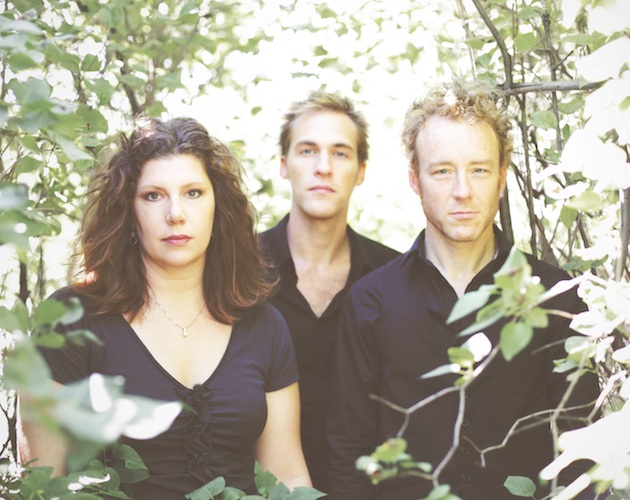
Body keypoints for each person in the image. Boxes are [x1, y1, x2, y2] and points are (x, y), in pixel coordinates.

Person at [327, 80, 600, 499]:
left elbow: (582, 449)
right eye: (442, 171)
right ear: (415, 179)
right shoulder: (370, 302)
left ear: (502, 177)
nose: (462, 191)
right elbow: (348, 453)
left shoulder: (556, 295)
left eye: (479, 170)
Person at [17, 117, 311, 498]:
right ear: (128, 210)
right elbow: (43, 487)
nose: (176, 213)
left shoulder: (264, 326)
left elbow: (288, 476)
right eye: (153, 196)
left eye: (193, 193)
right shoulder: (71, 320)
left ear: (217, 206)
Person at [259, 92, 399, 493]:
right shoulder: (237, 270)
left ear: (361, 170)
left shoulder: (394, 277)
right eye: (307, 151)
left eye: (340, 153)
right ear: (283, 165)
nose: (323, 167)